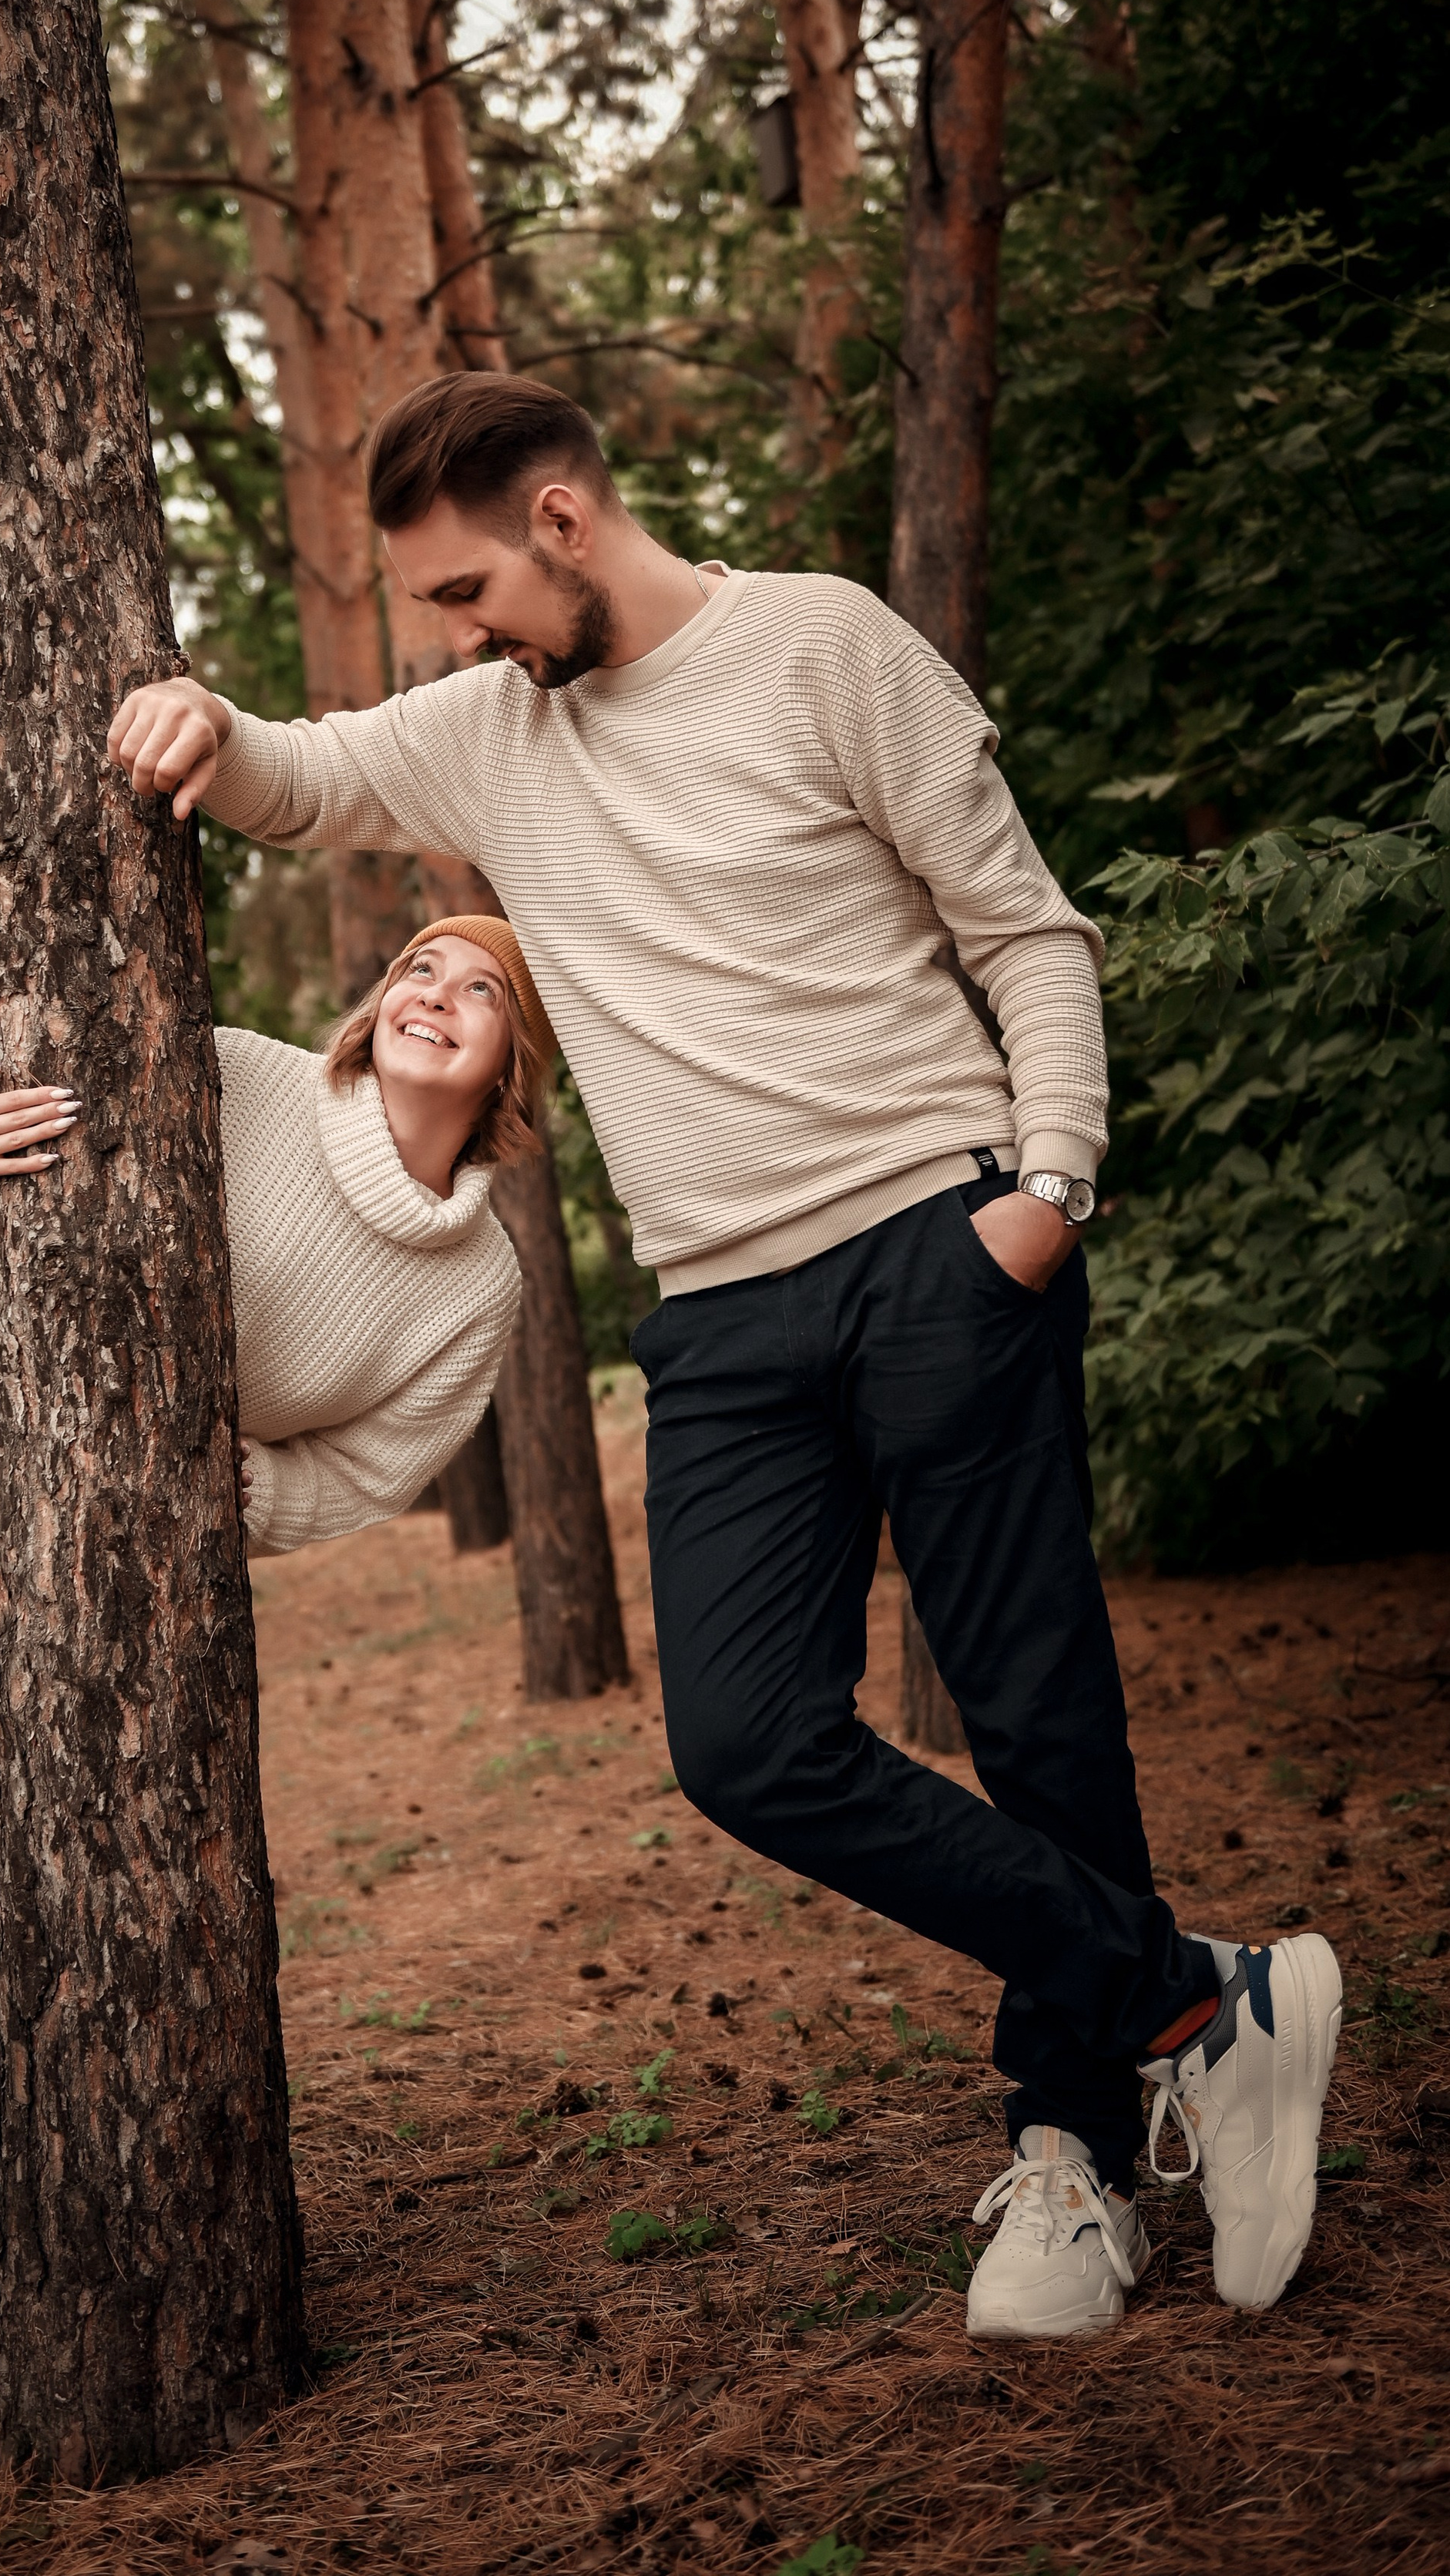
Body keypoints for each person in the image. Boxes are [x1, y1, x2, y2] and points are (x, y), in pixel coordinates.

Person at [106, 370, 1344, 2343]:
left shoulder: (821, 644)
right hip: (724, 1319)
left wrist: (1047, 1192)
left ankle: (1073, 2154)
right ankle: (1205, 2000)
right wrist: (192, 720)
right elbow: (300, 773)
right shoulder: (491, 733)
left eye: (462, 589)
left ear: (567, 522)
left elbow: (1023, 931)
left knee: (1030, 1721)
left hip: (939, 1242)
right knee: (746, 1743)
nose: (453, 634)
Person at [0, 917, 544, 2366]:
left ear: (522, 1058)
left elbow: (365, 1471)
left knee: (107, 1835)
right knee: (60, 1829)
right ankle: (36, 2236)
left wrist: (190, 1472)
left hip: (117, 1538)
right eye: (414, 964)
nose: (433, 995)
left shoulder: (477, 1290)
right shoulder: (228, 1072)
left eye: (481, 990)